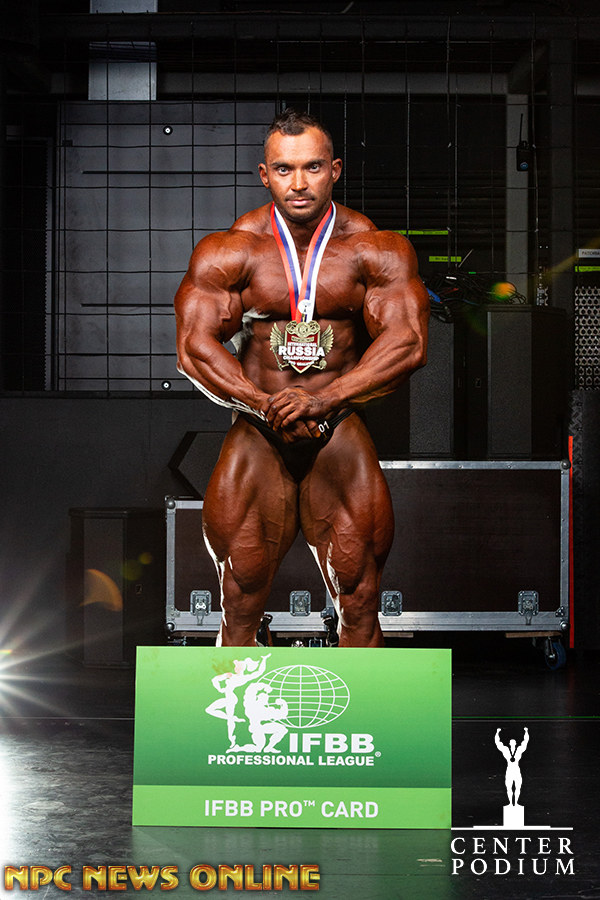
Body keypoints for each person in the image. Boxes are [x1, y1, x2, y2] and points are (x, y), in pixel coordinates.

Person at [175, 108, 429, 648]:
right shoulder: (231, 250)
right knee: (239, 597)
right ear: (264, 175)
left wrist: (326, 399)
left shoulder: (375, 248)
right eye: (284, 169)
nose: (298, 183)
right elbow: (195, 348)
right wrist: (262, 403)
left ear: (334, 170)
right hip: (258, 429)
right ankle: (238, 703)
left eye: (312, 167)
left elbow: (407, 342)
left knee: (359, 596)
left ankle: (359, 705)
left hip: (336, 427)